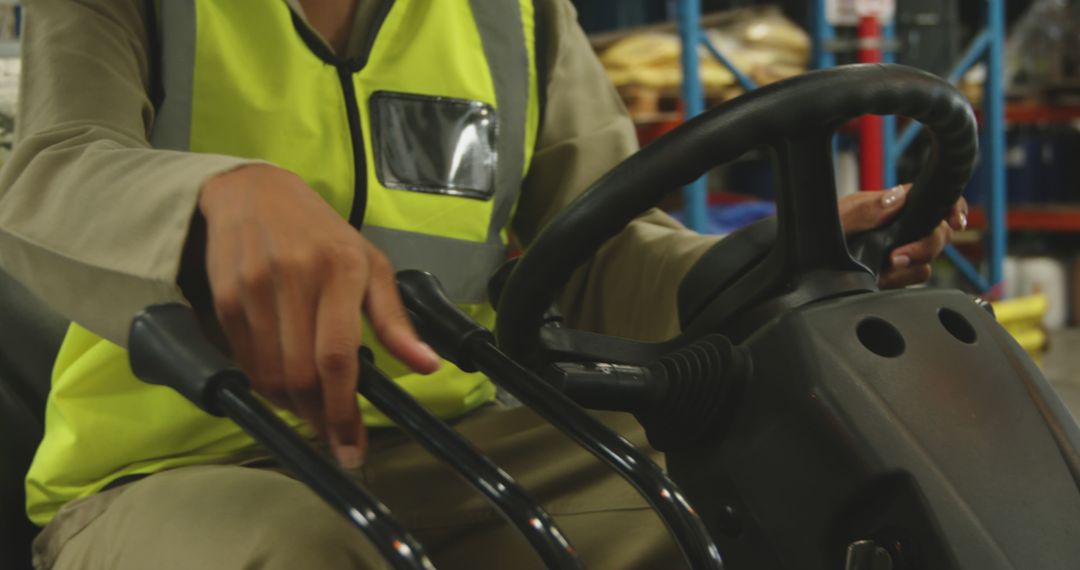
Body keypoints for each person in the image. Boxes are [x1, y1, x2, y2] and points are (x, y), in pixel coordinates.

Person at [0, 0, 966, 568]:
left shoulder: (510, 13)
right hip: (179, 466)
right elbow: (49, 170)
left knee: (764, 492)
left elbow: (597, 244)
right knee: (292, 550)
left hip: (456, 441)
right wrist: (215, 198)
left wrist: (769, 253)